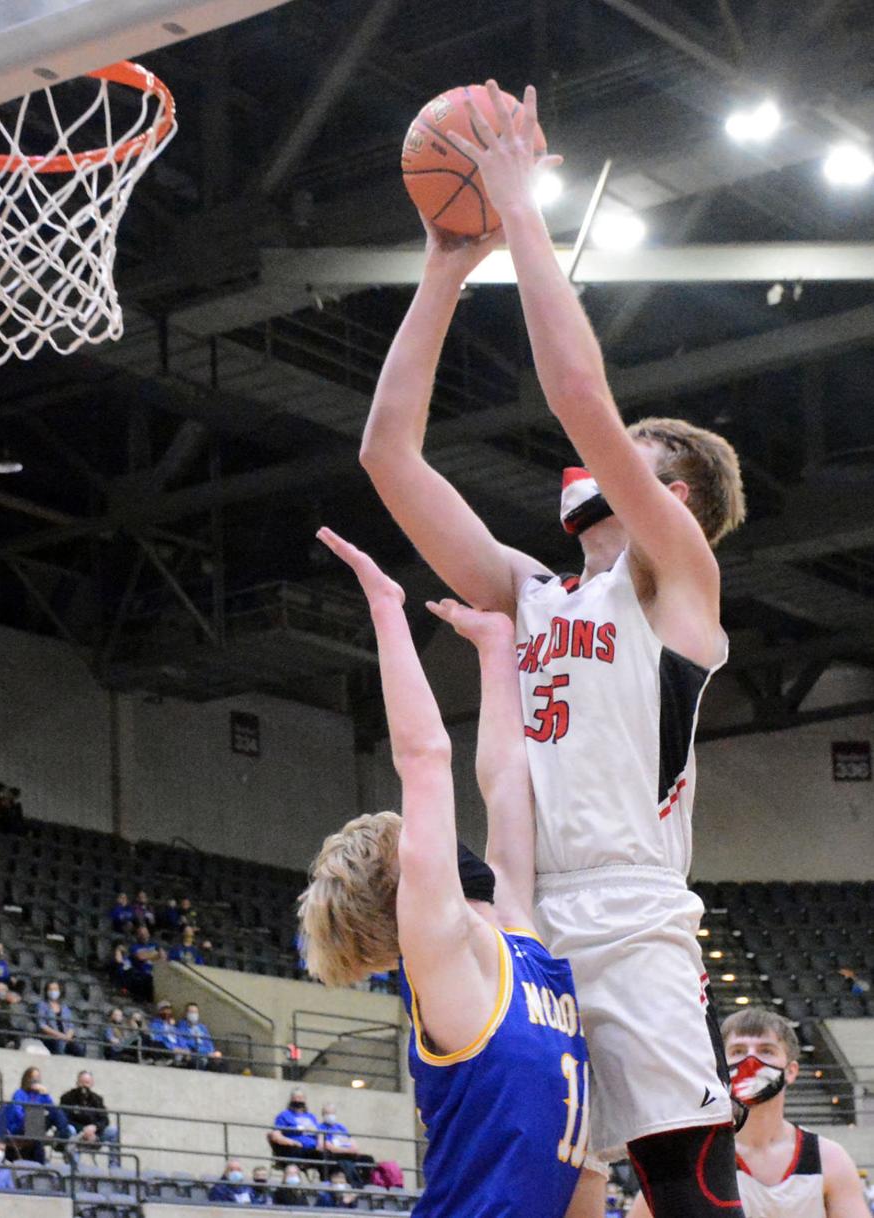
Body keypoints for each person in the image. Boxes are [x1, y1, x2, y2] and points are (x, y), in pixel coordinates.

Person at [359, 81, 748, 1218]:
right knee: (546, 1205)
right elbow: (390, 458)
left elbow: (578, 393)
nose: (598, 457)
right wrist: (444, 265)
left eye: (630, 452)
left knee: (690, 1202)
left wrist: (522, 207)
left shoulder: (680, 579)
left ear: (671, 491)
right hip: (527, 927)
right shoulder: (529, 592)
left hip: (632, 920)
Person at [299, 530, 594, 1218]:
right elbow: (425, 755)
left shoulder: (521, 942)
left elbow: (507, 787)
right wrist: (384, 606)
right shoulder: (443, 966)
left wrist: (497, 652)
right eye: (415, 841)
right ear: (406, 885)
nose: (437, 840)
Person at [628, 1007, 870, 1218]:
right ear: (720, 1068)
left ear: (791, 1070)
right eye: (738, 1051)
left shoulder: (829, 1158)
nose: (751, 1061)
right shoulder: (688, 1157)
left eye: (766, 1051)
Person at [0, 1066, 77, 1164]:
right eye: (33, 1077)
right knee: (35, 1115)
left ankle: (62, 1141)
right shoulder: (20, 1093)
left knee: (57, 1112)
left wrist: (46, 1094)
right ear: (27, 1079)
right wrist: (32, 1116)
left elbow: (53, 1110)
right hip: (20, 1126)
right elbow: (18, 1113)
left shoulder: (41, 1095)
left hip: (36, 1127)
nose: (36, 1080)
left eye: (38, 1077)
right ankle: (49, 1149)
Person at [59, 1071, 120, 1167]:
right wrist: (83, 1130)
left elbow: (105, 1120)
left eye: (87, 1083)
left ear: (92, 1084)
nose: (84, 1086)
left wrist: (95, 1128)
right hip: (77, 1134)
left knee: (113, 1131)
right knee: (70, 1129)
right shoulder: (67, 1098)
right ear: (77, 1083)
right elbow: (63, 1119)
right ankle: (73, 1168)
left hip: (95, 1136)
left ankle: (115, 1168)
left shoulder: (97, 1099)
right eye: (81, 1082)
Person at [269, 1088, 326, 1177]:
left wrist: (320, 1143)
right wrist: (293, 1142)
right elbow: (275, 1135)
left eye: (301, 1098)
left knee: (326, 1156)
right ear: (291, 1099)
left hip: (312, 1150)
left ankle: (326, 1183)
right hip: (294, 1148)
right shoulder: (284, 1115)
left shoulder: (311, 1117)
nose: (298, 1100)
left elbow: (320, 1132)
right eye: (296, 1097)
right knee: (294, 1153)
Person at [318, 1104, 374, 1188]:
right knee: (342, 1162)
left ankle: (366, 1185)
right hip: (336, 1154)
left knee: (368, 1159)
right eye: (327, 1113)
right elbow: (323, 1145)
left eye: (332, 1113)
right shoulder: (320, 1127)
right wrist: (344, 1150)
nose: (330, 1116)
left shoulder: (341, 1127)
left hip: (347, 1152)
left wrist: (351, 1149)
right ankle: (352, 1184)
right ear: (323, 1115)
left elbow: (354, 1144)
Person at [35, 980, 84, 1056]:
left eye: (55, 989)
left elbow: (71, 1025)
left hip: (65, 1037)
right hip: (50, 1037)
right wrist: (60, 1035)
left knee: (79, 1047)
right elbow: (42, 1025)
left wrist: (68, 1036)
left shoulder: (64, 1007)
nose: (53, 991)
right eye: (50, 989)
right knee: (59, 1044)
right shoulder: (42, 1005)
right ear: (46, 991)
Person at [177, 1002, 223, 1070]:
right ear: (186, 1013)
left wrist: (213, 1053)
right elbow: (189, 1043)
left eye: (195, 1012)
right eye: (191, 1012)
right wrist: (207, 1053)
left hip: (208, 1055)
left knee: (222, 1065)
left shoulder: (202, 1027)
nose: (194, 1014)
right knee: (199, 1064)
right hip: (194, 1055)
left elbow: (209, 1042)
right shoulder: (181, 1027)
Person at [127, 926, 162, 1002]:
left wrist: (148, 955)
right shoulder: (134, 947)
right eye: (141, 934)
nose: (144, 936)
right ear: (137, 936)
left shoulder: (155, 944)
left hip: (156, 973)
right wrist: (155, 954)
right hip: (142, 975)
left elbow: (163, 955)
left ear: (149, 934)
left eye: (146, 933)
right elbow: (140, 957)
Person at [150, 1001, 189, 1066]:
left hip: (180, 1052)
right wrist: (172, 1048)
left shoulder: (174, 1027)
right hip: (168, 1051)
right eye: (163, 1010)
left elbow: (181, 1038)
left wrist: (185, 1049)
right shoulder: (155, 1025)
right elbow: (158, 1040)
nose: (167, 1012)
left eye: (168, 1009)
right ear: (159, 1012)